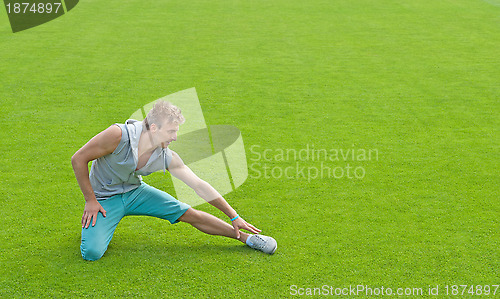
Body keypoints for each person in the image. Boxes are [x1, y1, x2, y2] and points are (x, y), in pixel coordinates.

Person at [71, 101, 277, 261]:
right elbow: (78, 159)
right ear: (153, 127)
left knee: (188, 213)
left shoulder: (166, 156)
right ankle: (100, 226)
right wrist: (90, 200)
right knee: (91, 253)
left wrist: (234, 216)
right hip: (105, 200)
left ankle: (248, 239)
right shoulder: (117, 135)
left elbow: (199, 185)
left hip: (136, 193)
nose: (175, 137)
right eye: (171, 131)